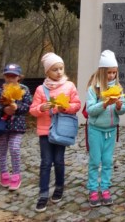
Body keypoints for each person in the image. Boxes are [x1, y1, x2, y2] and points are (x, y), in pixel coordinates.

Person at [29, 52, 81, 212]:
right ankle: (43, 194)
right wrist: (40, 108)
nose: (59, 72)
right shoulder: (40, 89)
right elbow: (32, 110)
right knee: (45, 162)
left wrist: (65, 107)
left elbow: (77, 105)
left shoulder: (69, 86)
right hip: (45, 131)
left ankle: (59, 187)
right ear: (47, 72)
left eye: (61, 68)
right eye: (54, 69)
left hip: (61, 130)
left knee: (58, 160)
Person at [85, 50, 125, 207]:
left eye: (114, 73)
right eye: (109, 72)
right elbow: (90, 110)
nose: (111, 76)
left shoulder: (118, 87)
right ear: (102, 72)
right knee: (95, 160)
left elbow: (122, 110)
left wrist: (118, 106)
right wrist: (104, 104)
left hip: (111, 129)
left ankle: (105, 187)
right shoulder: (94, 89)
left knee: (108, 161)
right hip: (96, 129)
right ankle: (93, 189)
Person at [0, 63, 32, 191]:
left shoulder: (24, 90)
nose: (10, 78)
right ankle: (3, 174)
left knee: (14, 148)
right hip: (1, 125)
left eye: (13, 76)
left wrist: (17, 108)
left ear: (19, 77)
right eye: (8, 76)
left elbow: (27, 106)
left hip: (17, 125)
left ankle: (16, 175)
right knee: (2, 150)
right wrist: (4, 109)